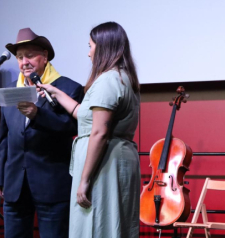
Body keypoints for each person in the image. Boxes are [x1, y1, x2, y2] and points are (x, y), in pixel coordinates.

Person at [39, 22, 141, 237]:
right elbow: (83, 114)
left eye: (90, 46)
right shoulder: (122, 78)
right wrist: (55, 92)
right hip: (114, 161)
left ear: (104, 48)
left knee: (98, 224)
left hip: (105, 166)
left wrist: (84, 180)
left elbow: (99, 132)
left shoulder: (108, 80)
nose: (88, 54)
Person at [0, 28, 84, 238]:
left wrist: (38, 115)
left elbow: (71, 128)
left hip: (51, 185)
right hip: (15, 185)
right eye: (19, 57)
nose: (24, 61)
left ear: (44, 56)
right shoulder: (10, 90)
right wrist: (0, 176)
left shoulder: (68, 88)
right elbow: (5, 138)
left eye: (30, 55)